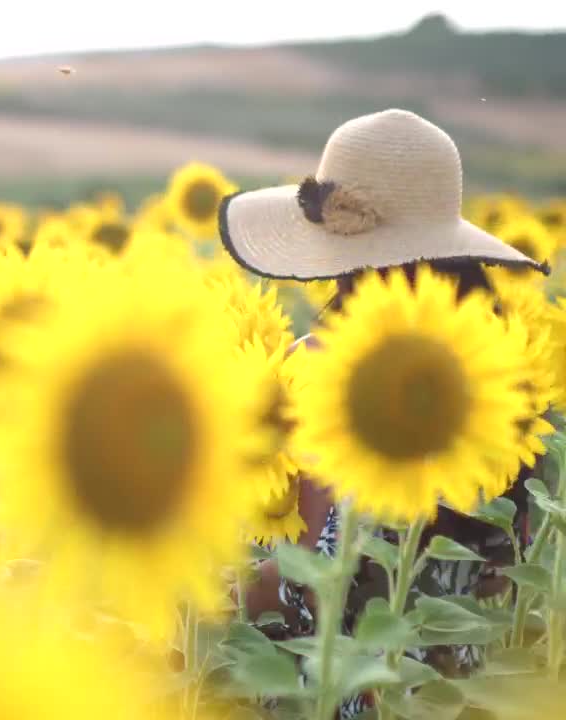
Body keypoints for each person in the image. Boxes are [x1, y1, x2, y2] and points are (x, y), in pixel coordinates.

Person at [217, 109, 550, 718]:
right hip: (451, 694)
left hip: (332, 690)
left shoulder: (317, 369)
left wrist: (228, 588)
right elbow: (507, 571)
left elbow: (321, 584)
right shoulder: (504, 386)